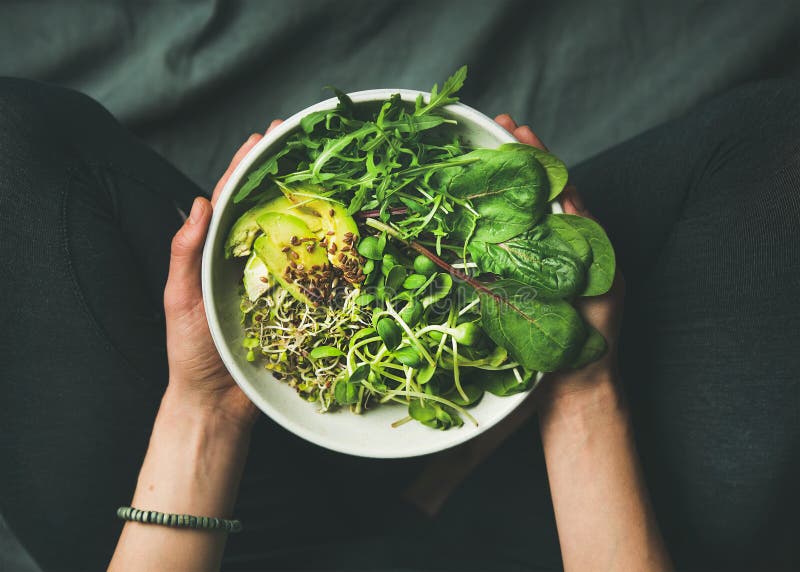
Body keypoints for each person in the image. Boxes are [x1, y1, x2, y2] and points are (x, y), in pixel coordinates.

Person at [0, 76, 797, 571]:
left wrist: (207, 408)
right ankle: (444, 478)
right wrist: (581, 394)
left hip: (224, 532)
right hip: (549, 536)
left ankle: (411, 475)